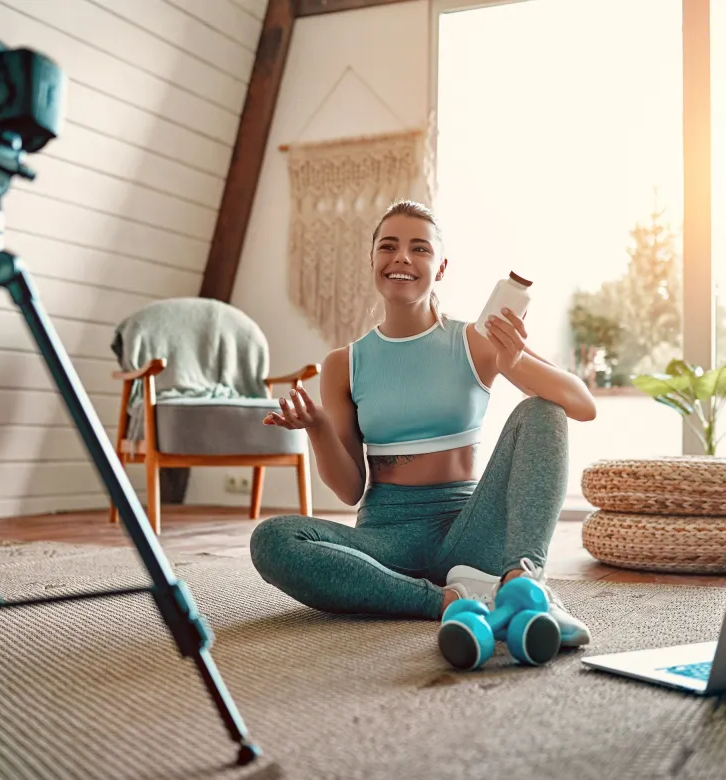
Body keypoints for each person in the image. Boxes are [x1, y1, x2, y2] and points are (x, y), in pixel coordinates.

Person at [249, 199, 598, 650]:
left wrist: (513, 362)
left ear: (441, 267)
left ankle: (523, 585)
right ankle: (449, 600)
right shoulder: (343, 364)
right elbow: (350, 490)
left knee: (542, 409)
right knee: (272, 539)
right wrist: (317, 426)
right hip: (386, 539)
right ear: (372, 260)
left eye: (420, 248)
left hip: (468, 530)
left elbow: (581, 405)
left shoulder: (476, 340)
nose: (402, 258)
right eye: (388, 246)